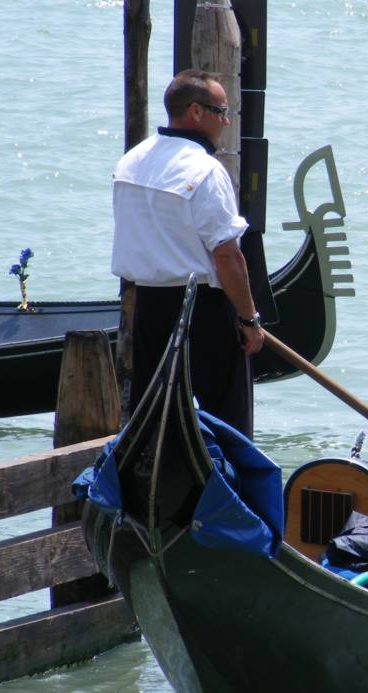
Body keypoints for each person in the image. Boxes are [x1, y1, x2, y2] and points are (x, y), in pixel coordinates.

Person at [111, 69, 263, 438]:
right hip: (204, 310)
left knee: (155, 419)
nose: (226, 122)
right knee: (228, 424)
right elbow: (227, 257)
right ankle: (229, 491)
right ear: (196, 112)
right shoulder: (206, 170)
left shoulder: (130, 162)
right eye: (222, 111)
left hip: (148, 307)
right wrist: (249, 320)